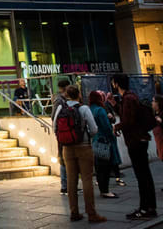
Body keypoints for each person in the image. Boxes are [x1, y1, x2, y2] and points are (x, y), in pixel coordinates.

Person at [54, 86, 106, 223]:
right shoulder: (83, 109)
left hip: (67, 149)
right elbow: (94, 129)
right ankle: (92, 213)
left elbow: (54, 127)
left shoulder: (61, 108)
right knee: (87, 179)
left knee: (71, 180)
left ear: (67, 95)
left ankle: (74, 212)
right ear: (79, 95)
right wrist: (86, 134)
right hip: (83, 147)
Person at [112, 74, 157, 220]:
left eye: (113, 82)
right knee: (145, 175)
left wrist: (117, 126)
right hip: (139, 139)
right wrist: (114, 105)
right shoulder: (130, 97)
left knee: (142, 176)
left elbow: (128, 120)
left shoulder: (128, 98)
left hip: (135, 140)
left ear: (116, 84)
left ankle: (146, 208)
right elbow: (128, 115)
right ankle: (149, 207)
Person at [89, 90, 120, 199]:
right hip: (104, 141)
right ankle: (105, 190)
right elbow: (107, 127)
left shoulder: (89, 110)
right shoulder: (100, 110)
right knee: (105, 167)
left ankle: (102, 188)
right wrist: (112, 136)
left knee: (99, 167)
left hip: (95, 140)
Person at [52, 79, 72, 195]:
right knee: (63, 159)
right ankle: (64, 186)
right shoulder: (59, 101)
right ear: (65, 87)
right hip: (62, 133)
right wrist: (57, 132)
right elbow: (54, 117)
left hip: (63, 133)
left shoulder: (62, 100)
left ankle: (68, 185)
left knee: (65, 158)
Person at [104, 92, 127, 187]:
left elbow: (113, 118)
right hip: (106, 135)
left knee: (111, 155)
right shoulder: (99, 109)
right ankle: (111, 176)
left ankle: (115, 175)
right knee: (109, 155)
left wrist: (112, 118)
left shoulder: (105, 106)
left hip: (107, 135)